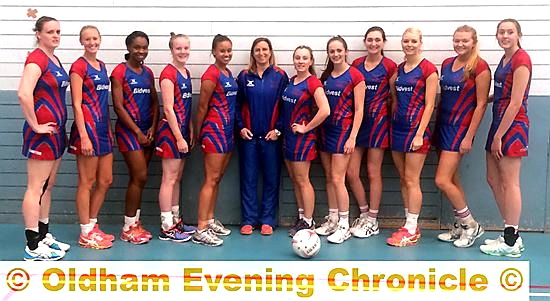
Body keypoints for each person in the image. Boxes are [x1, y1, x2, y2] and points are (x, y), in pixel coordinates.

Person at [18, 16, 71, 260]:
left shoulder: (54, 59)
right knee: (35, 187)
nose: (55, 35)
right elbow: (23, 93)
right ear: (38, 33)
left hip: (56, 132)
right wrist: (35, 125)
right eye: (50, 31)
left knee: (48, 186)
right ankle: (32, 245)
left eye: (58, 31)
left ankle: (43, 234)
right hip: (42, 135)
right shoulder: (36, 59)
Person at [434, 25, 490, 248]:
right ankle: (460, 224)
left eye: (465, 41)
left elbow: (481, 104)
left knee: (441, 180)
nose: (460, 44)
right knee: (453, 178)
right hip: (442, 126)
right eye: (457, 40)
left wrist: (469, 137)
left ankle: (471, 224)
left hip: (460, 130)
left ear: (474, 42)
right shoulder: (448, 63)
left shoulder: (480, 67)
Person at [480, 19, 531, 257]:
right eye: (501, 32)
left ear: (518, 34)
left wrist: (499, 136)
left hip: (513, 126)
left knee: (511, 182)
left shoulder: (522, 60)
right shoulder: (504, 60)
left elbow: (516, 101)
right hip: (498, 121)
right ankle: (510, 232)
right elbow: (504, 93)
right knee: (492, 178)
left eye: (510, 32)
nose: (505, 36)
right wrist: (485, 99)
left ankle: (511, 240)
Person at [386, 28, 438, 247]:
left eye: (413, 41)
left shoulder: (428, 70)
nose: (409, 44)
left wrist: (419, 133)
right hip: (397, 128)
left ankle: (413, 228)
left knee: (411, 179)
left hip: (416, 132)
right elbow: (394, 92)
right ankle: (409, 224)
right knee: (403, 178)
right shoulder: (400, 68)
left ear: (420, 43)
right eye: (405, 40)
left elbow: (430, 105)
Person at [68, 25, 115, 250]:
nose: (92, 42)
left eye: (95, 38)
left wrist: (109, 129)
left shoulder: (102, 66)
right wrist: (84, 137)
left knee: (105, 180)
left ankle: (93, 225)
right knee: (87, 182)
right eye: (87, 39)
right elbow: (76, 104)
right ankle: (85, 232)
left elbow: (103, 101)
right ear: (81, 41)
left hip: (103, 130)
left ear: (100, 39)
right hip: (86, 130)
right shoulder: (78, 67)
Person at [236, 38, 289, 236]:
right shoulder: (243, 76)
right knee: (248, 179)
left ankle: (267, 220)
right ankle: (248, 220)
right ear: (253, 53)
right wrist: (241, 127)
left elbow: (286, 107)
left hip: (271, 138)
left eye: (264, 49)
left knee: (271, 179)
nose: (261, 53)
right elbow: (236, 105)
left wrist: (278, 130)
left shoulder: (280, 76)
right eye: (257, 50)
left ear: (270, 52)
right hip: (249, 137)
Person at [315, 36, 365, 244]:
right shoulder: (326, 76)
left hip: (343, 133)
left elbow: (359, 109)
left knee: (338, 178)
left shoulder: (355, 75)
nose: (335, 54)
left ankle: (344, 224)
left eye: (339, 50)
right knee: (329, 177)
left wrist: (352, 137)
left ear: (345, 51)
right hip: (326, 131)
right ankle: (334, 218)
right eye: (331, 51)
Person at [111, 31, 159, 244]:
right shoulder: (119, 72)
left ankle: (135, 223)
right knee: (139, 176)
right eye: (137, 47)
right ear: (129, 48)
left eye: (144, 47)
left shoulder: (148, 73)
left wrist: (153, 128)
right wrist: (138, 132)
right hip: (129, 132)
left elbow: (156, 103)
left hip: (147, 132)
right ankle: (128, 227)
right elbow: (118, 106)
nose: (141, 51)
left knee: (139, 178)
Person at [348, 26, 397, 238]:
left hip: (378, 125)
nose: (374, 43)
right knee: (351, 172)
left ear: (383, 42)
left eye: (378, 40)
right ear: (365, 42)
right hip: (357, 124)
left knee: (372, 172)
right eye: (370, 39)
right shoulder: (357, 65)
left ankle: (373, 220)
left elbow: (395, 96)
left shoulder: (390, 66)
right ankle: (364, 212)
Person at [193, 34, 238, 246]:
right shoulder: (211, 74)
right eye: (222, 51)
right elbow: (202, 106)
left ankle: (209, 220)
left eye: (229, 50)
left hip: (228, 132)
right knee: (210, 179)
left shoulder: (227, 73)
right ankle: (200, 228)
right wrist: (198, 131)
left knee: (217, 177)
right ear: (214, 52)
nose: (226, 54)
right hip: (214, 131)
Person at [155, 33, 197, 242]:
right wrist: (179, 137)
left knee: (177, 178)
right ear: (172, 50)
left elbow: (185, 107)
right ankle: (166, 226)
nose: (183, 52)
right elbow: (169, 109)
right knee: (169, 179)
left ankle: (176, 218)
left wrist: (189, 128)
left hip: (182, 131)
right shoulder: (168, 74)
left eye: (186, 48)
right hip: (171, 134)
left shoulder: (186, 72)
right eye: (179, 48)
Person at [284, 45, 330, 237]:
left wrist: (306, 127)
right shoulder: (291, 81)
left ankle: (309, 221)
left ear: (311, 62)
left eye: (304, 58)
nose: (300, 61)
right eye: (297, 58)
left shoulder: (313, 83)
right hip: (288, 138)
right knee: (296, 180)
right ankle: (302, 216)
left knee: (303, 180)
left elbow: (325, 110)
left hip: (303, 140)